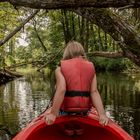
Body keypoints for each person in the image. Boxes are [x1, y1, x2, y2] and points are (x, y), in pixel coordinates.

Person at [45, 41, 109, 134]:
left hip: (65, 111)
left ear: (67, 53)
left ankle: (67, 128)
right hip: (84, 111)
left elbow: (61, 89)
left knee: (57, 91)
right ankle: (78, 127)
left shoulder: (60, 68)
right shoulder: (91, 68)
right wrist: (102, 114)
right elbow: (94, 92)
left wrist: (53, 114)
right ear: (82, 52)